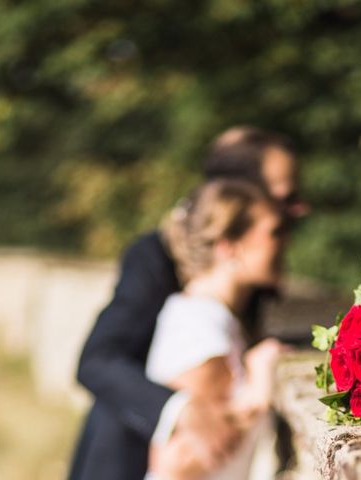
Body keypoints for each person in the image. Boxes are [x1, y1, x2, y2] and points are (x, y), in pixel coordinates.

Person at [68, 127, 305, 480]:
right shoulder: (155, 258)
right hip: (122, 461)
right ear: (239, 191)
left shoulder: (242, 273)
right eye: (285, 197)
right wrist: (182, 410)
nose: (298, 209)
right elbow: (97, 360)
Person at [145, 179, 287, 479]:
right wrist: (258, 391)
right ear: (229, 247)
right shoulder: (200, 324)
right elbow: (177, 463)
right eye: (273, 232)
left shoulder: (208, 316)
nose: (284, 242)